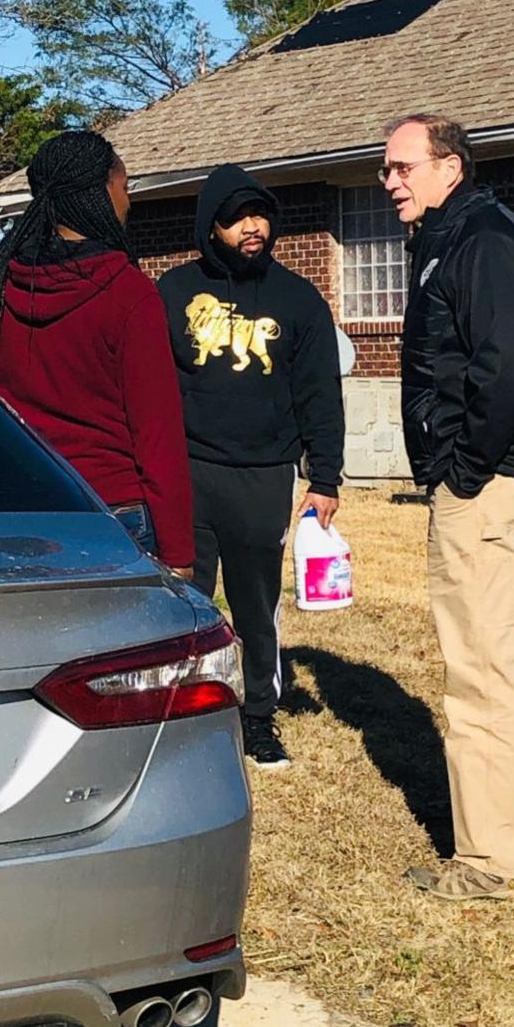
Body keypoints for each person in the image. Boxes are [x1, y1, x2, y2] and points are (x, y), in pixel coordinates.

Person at [385, 113, 514, 900]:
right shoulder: (458, 236)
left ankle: (490, 860)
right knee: (508, 663)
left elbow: (503, 372)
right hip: (491, 479)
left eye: (402, 166)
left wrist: (462, 468)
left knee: (482, 670)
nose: (390, 180)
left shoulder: (480, 239)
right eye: (387, 169)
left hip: (483, 486)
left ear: (449, 167)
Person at [158, 164, 345, 769]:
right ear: (211, 227)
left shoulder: (298, 299)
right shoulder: (174, 291)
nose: (253, 226)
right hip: (188, 470)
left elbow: (320, 392)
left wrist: (325, 477)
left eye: (260, 214)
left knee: (255, 605)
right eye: (238, 217)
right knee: (185, 602)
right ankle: (180, 718)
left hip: (264, 476)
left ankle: (257, 718)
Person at [0, 130, 194, 577]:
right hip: (113, 513)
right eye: (125, 188)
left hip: (28, 507)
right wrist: (180, 554)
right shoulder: (129, 294)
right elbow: (158, 435)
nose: (129, 202)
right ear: (103, 192)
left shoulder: (1, 284)